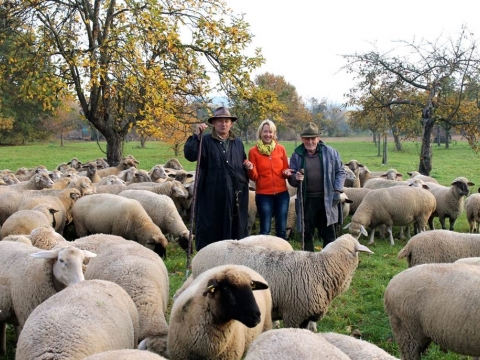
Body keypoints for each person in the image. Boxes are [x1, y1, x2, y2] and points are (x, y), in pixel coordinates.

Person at [184, 106, 250, 251]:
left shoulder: (237, 143)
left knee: (235, 230)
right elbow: (190, 155)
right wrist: (196, 136)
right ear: (214, 123)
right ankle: (211, 257)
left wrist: (247, 167)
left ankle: (234, 256)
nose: (223, 124)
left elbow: (242, 162)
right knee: (213, 228)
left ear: (231, 123)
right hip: (212, 196)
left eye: (226, 121)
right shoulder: (205, 141)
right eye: (220, 121)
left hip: (235, 195)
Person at [287, 122, 346, 251]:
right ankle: (310, 262)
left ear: (318, 138)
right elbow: (291, 177)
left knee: (329, 233)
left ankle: (328, 260)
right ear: (302, 139)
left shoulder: (330, 153)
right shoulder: (297, 155)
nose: (310, 142)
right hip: (306, 200)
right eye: (306, 139)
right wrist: (295, 178)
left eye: (312, 138)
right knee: (307, 233)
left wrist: (337, 189)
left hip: (326, 199)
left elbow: (340, 171)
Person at [244, 119, 290, 239]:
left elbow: (285, 170)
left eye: (270, 132)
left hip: (282, 194)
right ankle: (265, 254)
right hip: (264, 195)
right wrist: (250, 168)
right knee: (265, 229)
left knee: (281, 228)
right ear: (260, 133)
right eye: (265, 132)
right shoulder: (253, 152)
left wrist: (287, 172)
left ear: (274, 134)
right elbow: (254, 177)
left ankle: (282, 253)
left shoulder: (281, 149)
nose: (268, 135)